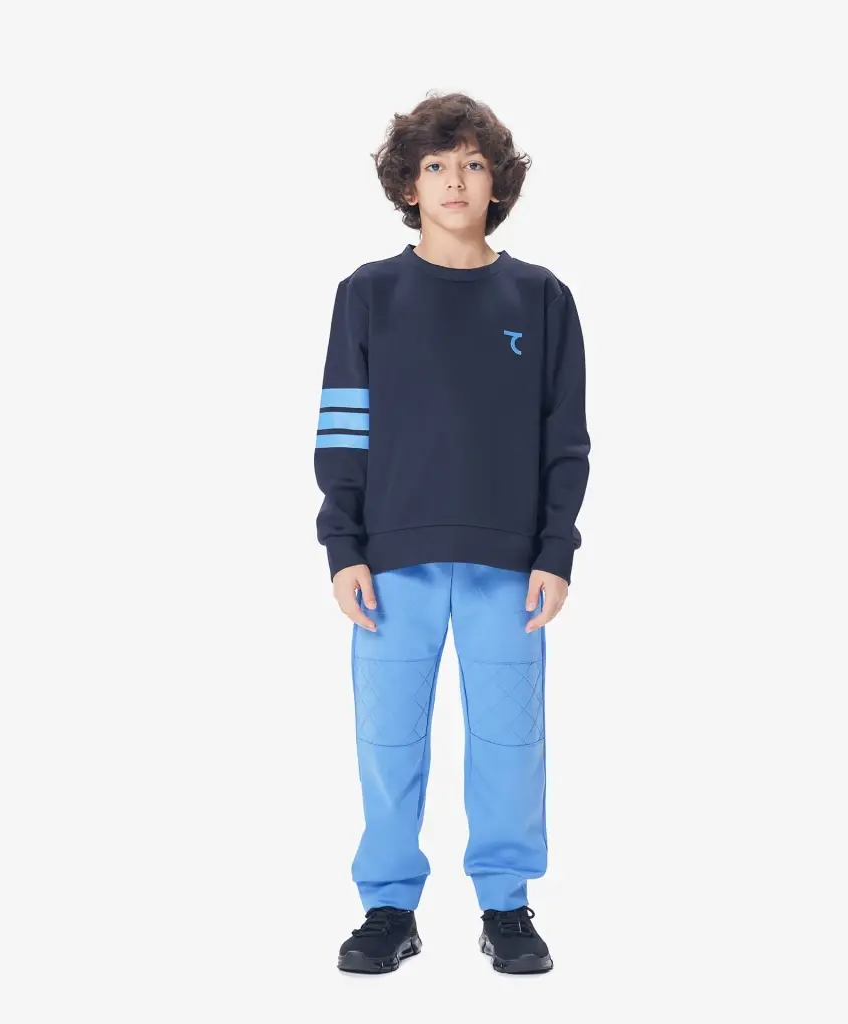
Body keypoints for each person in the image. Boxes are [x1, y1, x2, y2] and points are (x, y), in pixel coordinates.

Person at [313, 91, 591, 975]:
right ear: (409, 185)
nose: (455, 179)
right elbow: (342, 428)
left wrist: (555, 551)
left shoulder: (541, 298)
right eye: (435, 165)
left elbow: (565, 439)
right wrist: (343, 545)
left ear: (497, 182)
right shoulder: (368, 294)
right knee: (388, 741)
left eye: (473, 163)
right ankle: (389, 906)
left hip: (508, 566)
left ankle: (506, 905)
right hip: (391, 562)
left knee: (510, 740)